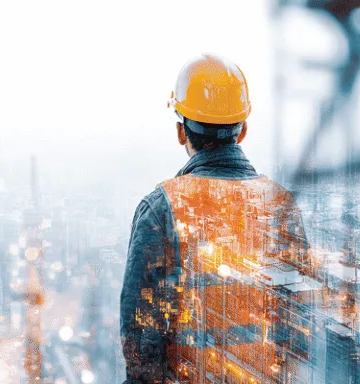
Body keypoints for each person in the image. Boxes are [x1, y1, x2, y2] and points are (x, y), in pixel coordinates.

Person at [120, 54, 309, 383]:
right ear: (243, 130)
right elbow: (298, 327)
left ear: (181, 132)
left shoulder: (162, 209)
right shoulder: (281, 204)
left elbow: (141, 348)